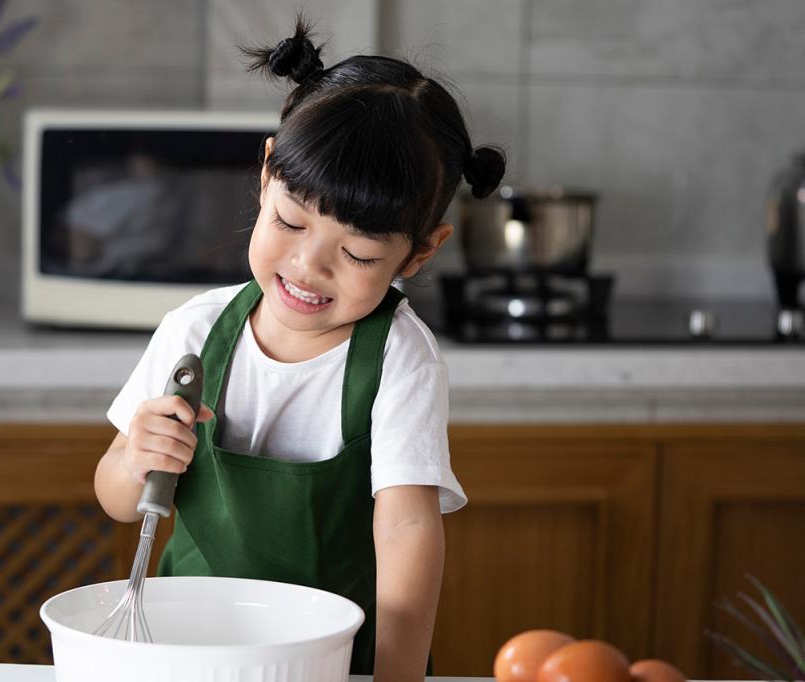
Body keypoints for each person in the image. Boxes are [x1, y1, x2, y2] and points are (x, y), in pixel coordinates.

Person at [94, 15, 505, 681]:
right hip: (187, 651)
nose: (309, 266)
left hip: (334, 665)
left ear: (421, 251)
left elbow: (407, 532)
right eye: (289, 220)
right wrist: (136, 455)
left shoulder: (399, 357)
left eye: (359, 252)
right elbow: (116, 496)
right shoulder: (194, 330)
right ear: (265, 175)